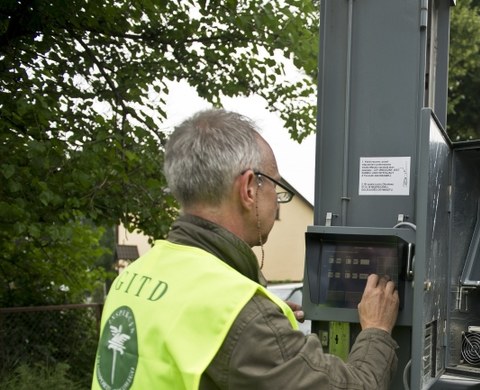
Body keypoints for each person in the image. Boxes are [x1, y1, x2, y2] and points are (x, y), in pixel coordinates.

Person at [92, 109, 400, 389]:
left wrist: (266, 326)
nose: (277, 199)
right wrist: (376, 330)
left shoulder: (133, 276)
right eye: (275, 186)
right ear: (249, 189)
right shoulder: (241, 315)